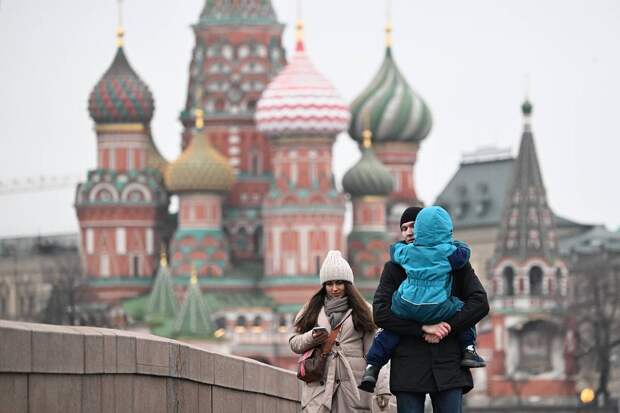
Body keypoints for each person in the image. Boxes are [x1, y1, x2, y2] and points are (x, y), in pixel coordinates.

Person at [372, 207, 490, 413]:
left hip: (448, 364)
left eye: (414, 226)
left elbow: (480, 303)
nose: (409, 232)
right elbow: (380, 313)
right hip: (408, 366)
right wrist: (423, 329)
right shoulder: (394, 267)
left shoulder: (455, 263)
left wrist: (447, 327)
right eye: (403, 228)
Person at [289, 250, 393, 412]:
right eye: (329, 284)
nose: (335, 288)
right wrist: (312, 336)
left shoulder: (364, 311)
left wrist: (382, 388)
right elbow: (294, 343)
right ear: (323, 286)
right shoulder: (312, 309)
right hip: (319, 390)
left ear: (348, 284)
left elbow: (375, 352)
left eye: (339, 283)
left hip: (353, 390)